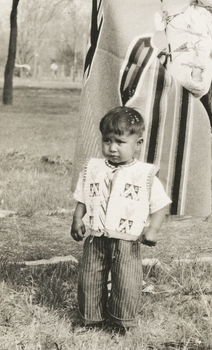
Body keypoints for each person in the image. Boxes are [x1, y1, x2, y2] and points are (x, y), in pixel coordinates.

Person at [72, 0, 212, 218]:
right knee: (115, 150)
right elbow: (121, 33)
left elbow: (187, 24)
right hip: (124, 75)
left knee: (181, 130)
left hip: (159, 73)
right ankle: (106, 229)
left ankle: (139, 227)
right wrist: (152, 68)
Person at [71, 106, 171, 329]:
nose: (112, 148)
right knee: (90, 278)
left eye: (120, 142)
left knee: (126, 282)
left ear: (138, 143)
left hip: (127, 241)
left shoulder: (144, 174)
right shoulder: (93, 168)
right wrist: (78, 218)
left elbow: (161, 204)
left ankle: (122, 321)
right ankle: (91, 318)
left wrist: (152, 229)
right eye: (107, 141)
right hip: (96, 238)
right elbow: (84, 196)